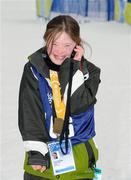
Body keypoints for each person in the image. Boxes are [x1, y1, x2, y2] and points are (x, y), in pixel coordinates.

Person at [18, 15, 101, 180]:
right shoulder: (34, 70)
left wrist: (73, 68)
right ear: (45, 40)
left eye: (67, 45)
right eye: (53, 43)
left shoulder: (89, 72)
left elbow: (78, 107)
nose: (59, 50)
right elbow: (30, 111)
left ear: (77, 45)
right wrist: (36, 152)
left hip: (79, 160)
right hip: (43, 159)